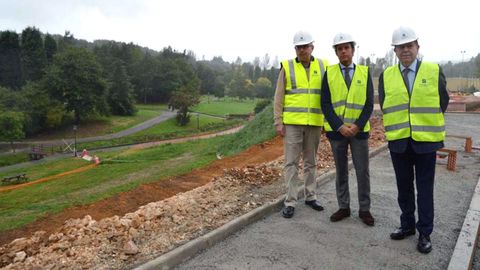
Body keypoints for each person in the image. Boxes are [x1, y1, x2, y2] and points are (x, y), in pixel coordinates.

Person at [379, 26, 449, 254]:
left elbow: (442, 102)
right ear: (395, 51)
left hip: (426, 141)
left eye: (409, 46)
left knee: (425, 188)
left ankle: (425, 233)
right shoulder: (386, 76)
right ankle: (407, 225)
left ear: (418, 46)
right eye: (401, 47)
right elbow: (386, 105)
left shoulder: (433, 70)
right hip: (399, 141)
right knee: (404, 187)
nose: (405, 50)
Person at [273, 30, 328, 218]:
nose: (302, 50)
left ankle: (311, 196)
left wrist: (327, 122)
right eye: (299, 47)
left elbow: (328, 96)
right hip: (293, 125)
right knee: (291, 163)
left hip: (314, 123)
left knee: (311, 162)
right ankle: (290, 201)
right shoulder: (287, 67)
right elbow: (278, 97)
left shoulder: (323, 66)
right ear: (295, 49)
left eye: (305, 46)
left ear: (312, 47)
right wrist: (278, 121)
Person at [321, 33, 374, 226]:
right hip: (337, 133)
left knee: (362, 171)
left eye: (346, 48)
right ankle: (343, 206)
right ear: (336, 52)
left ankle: (364, 209)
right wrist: (340, 126)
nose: (343, 51)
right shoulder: (330, 73)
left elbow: (369, 104)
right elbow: (325, 104)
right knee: (341, 170)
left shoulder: (365, 72)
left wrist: (357, 126)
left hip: (359, 132)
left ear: (353, 49)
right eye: (339, 48)